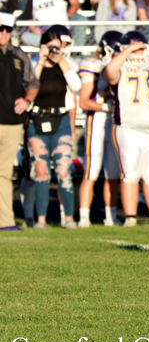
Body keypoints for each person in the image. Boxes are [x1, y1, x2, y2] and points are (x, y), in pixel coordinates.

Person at [105, 31, 149, 226]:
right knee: (130, 174)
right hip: (128, 127)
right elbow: (110, 71)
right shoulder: (120, 66)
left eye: (140, 48)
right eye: (133, 49)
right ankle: (130, 217)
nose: (137, 52)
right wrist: (129, 48)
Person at [28, 25, 82, 228]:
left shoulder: (66, 64)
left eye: (57, 47)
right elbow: (29, 86)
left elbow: (76, 86)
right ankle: (41, 219)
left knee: (63, 170)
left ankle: (69, 218)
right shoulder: (34, 63)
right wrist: (41, 61)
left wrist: (61, 60)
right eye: (50, 47)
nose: (53, 51)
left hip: (61, 120)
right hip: (37, 120)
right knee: (41, 171)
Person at [76, 31, 123, 228]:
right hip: (96, 121)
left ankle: (111, 216)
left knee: (112, 174)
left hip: (114, 122)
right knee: (91, 171)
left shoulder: (122, 66)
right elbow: (84, 101)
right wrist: (106, 107)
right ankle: (84, 217)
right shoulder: (92, 65)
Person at [0, 12, 38, 231]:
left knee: (4, 173)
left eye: (7, 29)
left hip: (12, 122)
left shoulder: (19, 55)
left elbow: (33, 83)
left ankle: (5, 221)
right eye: (0, 29)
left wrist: (27, 100)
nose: (4, 33)